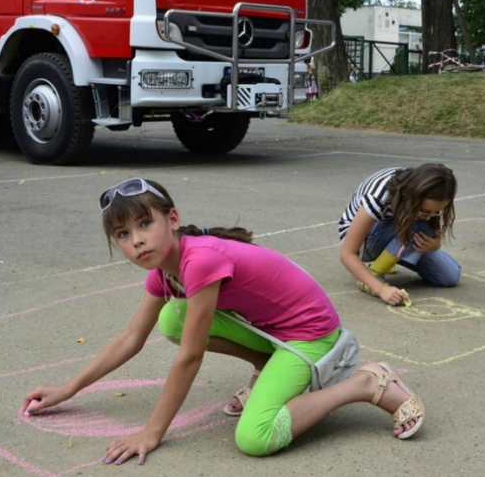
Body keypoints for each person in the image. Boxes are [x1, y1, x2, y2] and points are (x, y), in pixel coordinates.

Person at [23, 178, 425, 465]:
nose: (137, 240)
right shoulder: (165, 270)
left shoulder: (201, 260)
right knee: (171, 318)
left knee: (256, 437)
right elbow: (132, 338)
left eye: (145, 224)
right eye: (123, 234)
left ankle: (365, 383)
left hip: (310, 337)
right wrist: (67, 389)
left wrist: (152, 432)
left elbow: (190, 358)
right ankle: (266, 366)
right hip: (274, 333)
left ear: (173, 219)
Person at [339, 165, 460, 306]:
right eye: (425, 211)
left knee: (449, 276)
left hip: (400, 236)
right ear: (412, 197)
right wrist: (381, 289)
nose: (429, 217)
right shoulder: (379, 197)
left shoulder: (427, 192)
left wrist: (436, 244)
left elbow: (430, 220)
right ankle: (375, 273)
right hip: (364, 239)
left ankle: (391, 255)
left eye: (436, 212)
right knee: (418, 224)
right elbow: (347, 254)